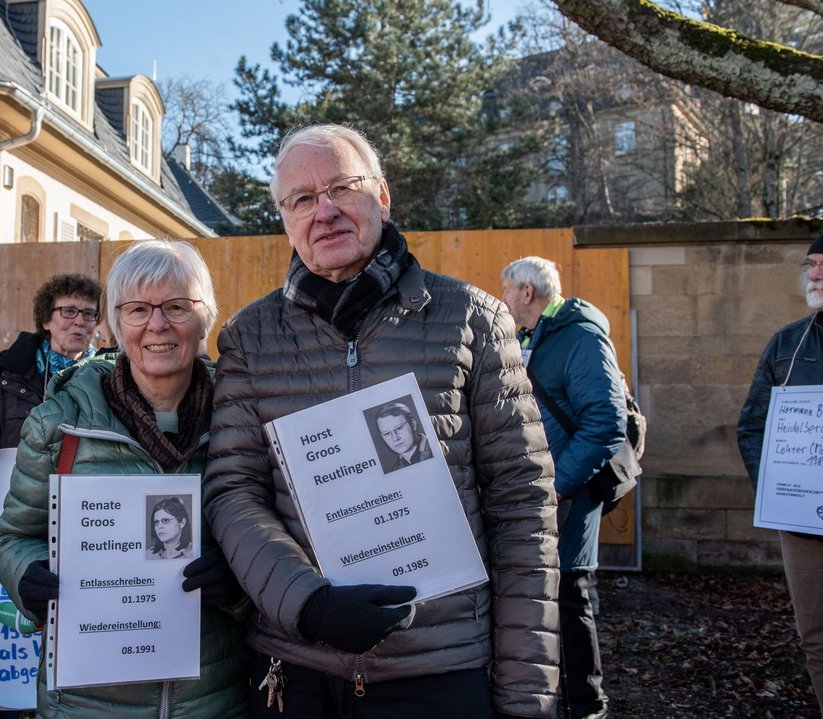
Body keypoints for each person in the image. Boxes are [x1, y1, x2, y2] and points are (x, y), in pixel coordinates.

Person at [204, 124, 559, 718]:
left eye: (343, 187)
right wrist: (308, 604)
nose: (325, 211)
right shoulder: (250, 337)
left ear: (383, 196)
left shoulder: (471, 319)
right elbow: (234, 493)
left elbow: (523, 504)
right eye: (301, 200)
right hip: (298, 672)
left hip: (440, 671)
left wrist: (527, 695)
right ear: (285, 219)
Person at [0, 240, 248, 718]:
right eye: (137, 309)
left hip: (213, 696)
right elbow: (13, 536)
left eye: (177, 306)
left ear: (205, 317)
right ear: (112, 323)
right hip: (88, 701)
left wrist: (241, 580)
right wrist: (27, 577)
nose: (157, 324)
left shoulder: (240, 420)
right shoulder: (59, 423)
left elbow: (280, 539)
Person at [0, 273, 101, 718]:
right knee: (8, 679)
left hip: (87, 535)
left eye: (89, 314)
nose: (80, 322)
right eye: (69, 312)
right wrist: (1, 493)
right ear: (46, 321)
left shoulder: (111, 375)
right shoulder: (2, 374)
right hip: (19, 538)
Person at [737, 217, 823, 719]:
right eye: (812, 264)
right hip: (804, 519)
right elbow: (753, 428)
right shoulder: (787, 343)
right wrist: (777, 491)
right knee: (822, 641)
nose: (817, 274)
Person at [500, 256, 626, 719]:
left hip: (569, 491)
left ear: (527, 293)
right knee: (544, 597)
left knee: (570, 596)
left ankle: (586, 707)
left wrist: (558, 484)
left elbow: (605, 423)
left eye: (508, 290)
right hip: (540, 491)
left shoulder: (579, 337)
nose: (504, 299)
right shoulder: (531, 338)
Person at [372, 401, 433, 473]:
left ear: (413, 425)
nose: (395, 438)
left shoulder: (435, 448)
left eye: (399, 428)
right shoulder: (395, 470)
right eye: (387, 433)